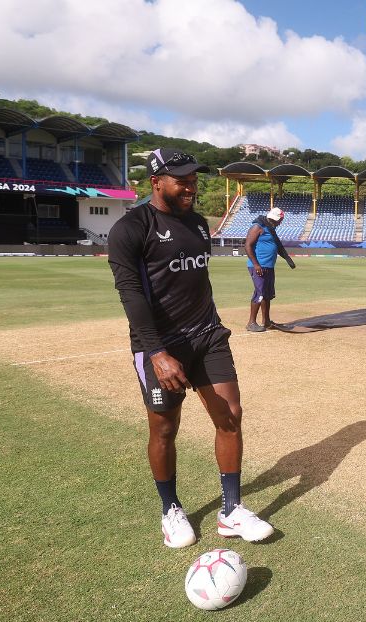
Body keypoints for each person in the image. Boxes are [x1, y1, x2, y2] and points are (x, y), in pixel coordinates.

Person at [107, 147, 274, 549]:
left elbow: (196, 283)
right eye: (181, 180)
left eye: (194, 180)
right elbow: (131, 295)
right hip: (161, 345)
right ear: (156, 182)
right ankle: (170, 510)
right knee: (165, 428)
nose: (191, 186)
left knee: (230, 415)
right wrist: (157, 353)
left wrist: (211, 324)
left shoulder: (199, 224)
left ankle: (231, 510)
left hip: (207, 335)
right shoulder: (131, 229)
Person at [244, 206, 296, 332]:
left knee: (267, 294)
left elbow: (278, 246)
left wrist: (288, 259)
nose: (281, 222)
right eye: (280, 220)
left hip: (268, 266)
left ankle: (266, 321)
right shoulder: (257, 227)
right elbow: (247, 246)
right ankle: (251, 323)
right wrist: (256, 264)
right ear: (275, 218)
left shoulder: (270, 228)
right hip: (258, 266)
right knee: (260, 293)